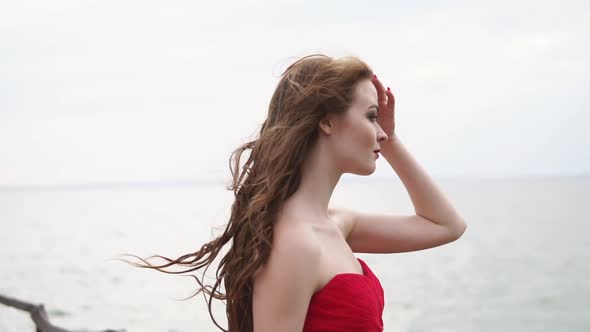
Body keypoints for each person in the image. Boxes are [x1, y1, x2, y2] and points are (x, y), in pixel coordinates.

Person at [123, 54, 467, 332]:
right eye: (372, 117)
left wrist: (392, 140)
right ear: (327, 121)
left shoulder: (335, 225)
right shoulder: (296, 243)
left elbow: (446, 226)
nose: (380, 133)